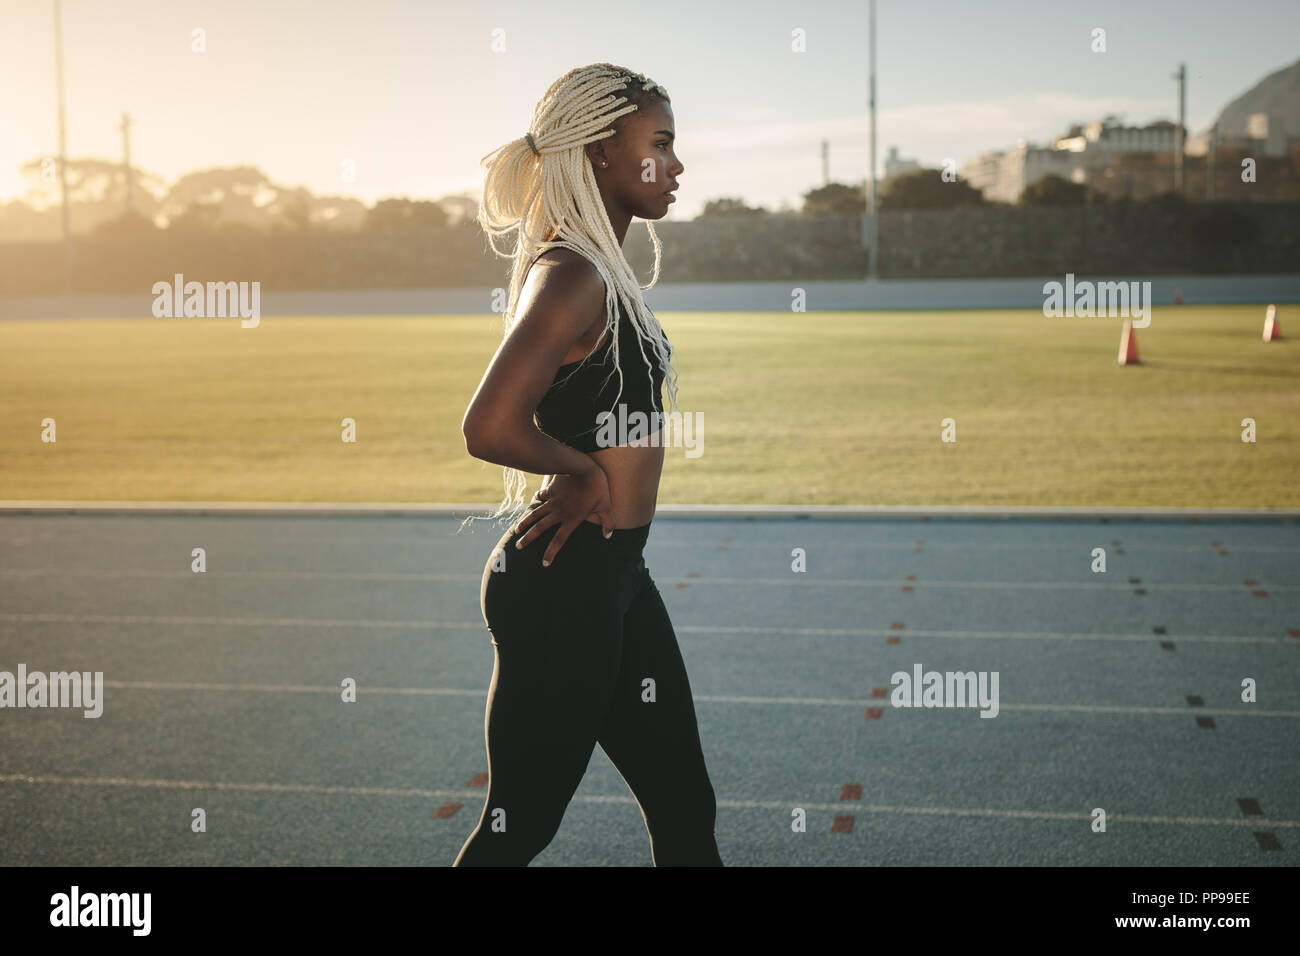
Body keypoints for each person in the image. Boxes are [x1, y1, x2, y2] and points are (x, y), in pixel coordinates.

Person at [454, 63, 723, 866]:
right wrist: (578, 473)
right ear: (604, 151)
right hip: (559, 584)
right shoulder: (571, 274)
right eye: (661, 146)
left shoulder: (604, 273)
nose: (676, 166)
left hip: (614, 575)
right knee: (521, 823)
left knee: (685, 811)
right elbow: (489, 424)